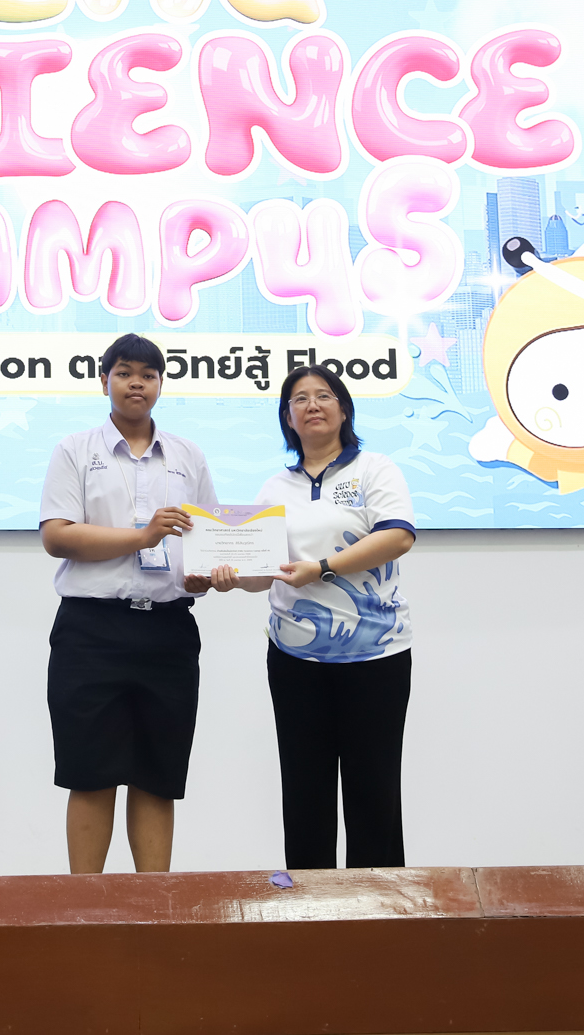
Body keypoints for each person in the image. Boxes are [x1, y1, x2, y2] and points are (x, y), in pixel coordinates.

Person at [205, 364, 416, 870]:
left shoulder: (375, 469)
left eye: (324, 396)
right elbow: (265, 573)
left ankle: (378, 903)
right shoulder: (274, 488)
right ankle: (309, 902)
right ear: (288, 418)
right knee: (304, 790)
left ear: (344, 409)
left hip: (376, 657)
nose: (312, 405)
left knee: (374, 790)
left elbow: (397, 535)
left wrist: (321, 567)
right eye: (300, 399)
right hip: (295, 661)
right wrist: (231, 577)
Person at [38, 333, 218, 873]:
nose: (136, 383)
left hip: (168, 633)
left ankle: (154, 907)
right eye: (123, 373)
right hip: (90, 632)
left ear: (161, 384)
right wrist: (142, 537)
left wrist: (207, 577)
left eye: (147, 374)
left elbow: (208, 546)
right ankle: (85, 907)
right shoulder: (75, 450)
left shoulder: (188, 455)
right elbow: (57, 537)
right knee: (90, 774)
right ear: (104, 382)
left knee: (157, 776)